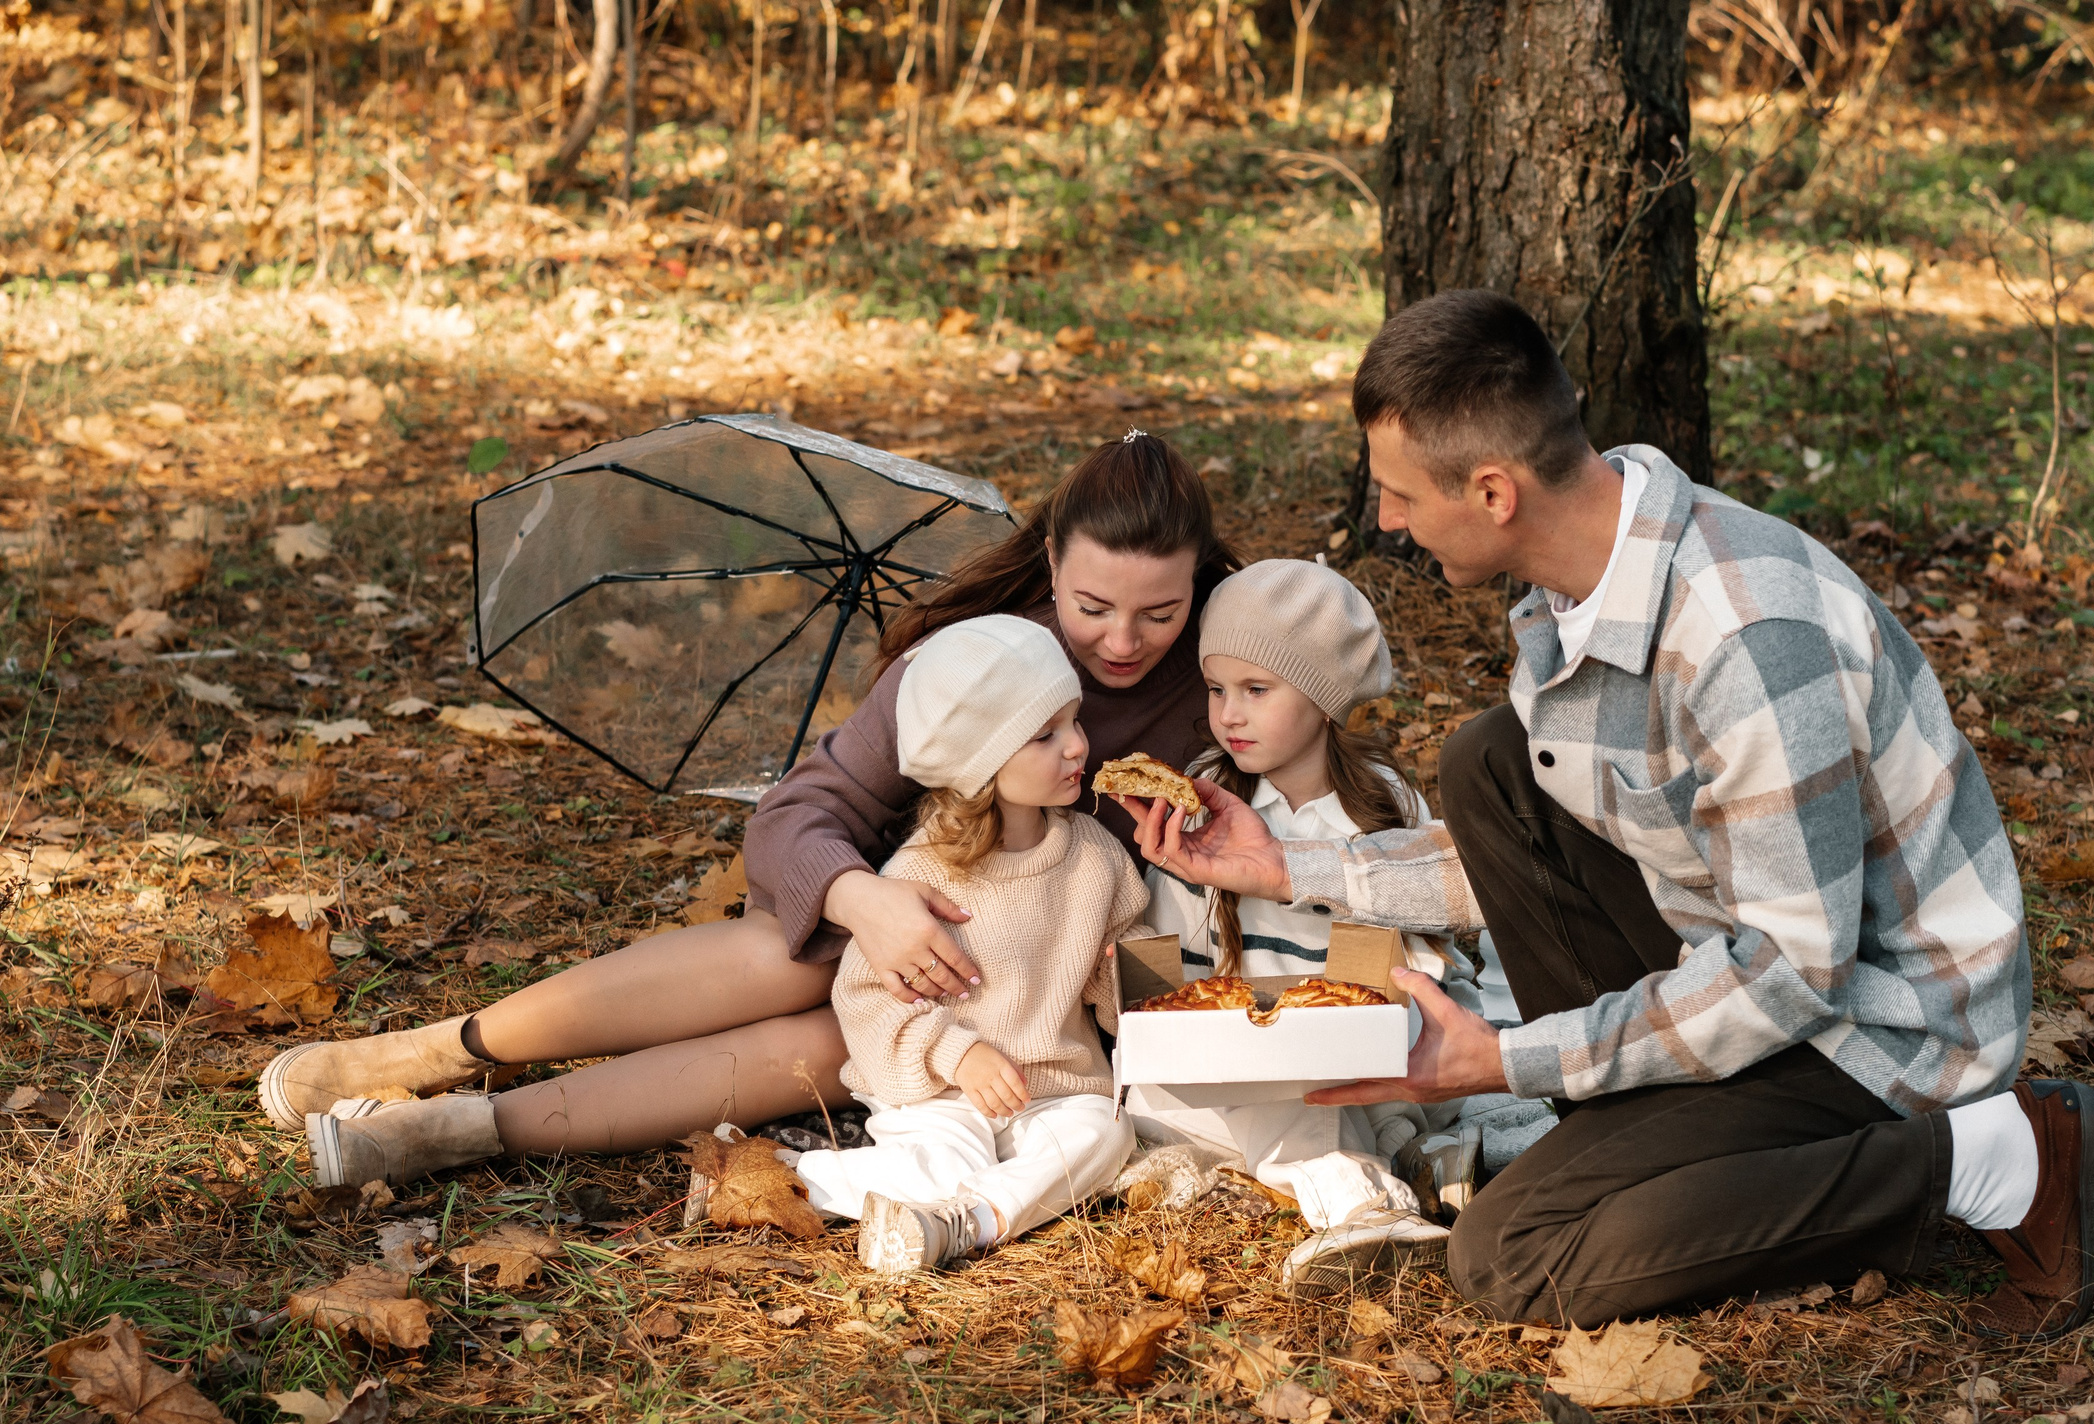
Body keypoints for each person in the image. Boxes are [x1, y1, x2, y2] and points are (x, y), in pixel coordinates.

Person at [1128, 290, 2094, 1339]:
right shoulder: (1579, 580)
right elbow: (1505, 861)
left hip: (1879, 1027)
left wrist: (1508, 1061)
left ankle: (1985, 1156)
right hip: (1729, 953)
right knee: (1492, 762)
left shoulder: (1742, 636)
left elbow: (1793, 974)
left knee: (1513, 1255)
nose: (1387, 522)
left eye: (1400, 494)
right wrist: (1284, 869)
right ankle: (1662, 1131)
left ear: (1494, 491)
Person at [261, 431, 1234, 1188]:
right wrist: (866, 901)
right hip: (908, 912)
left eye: (1159, 611)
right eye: (1092, 605)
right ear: (1051, 561)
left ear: (1199, 584)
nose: (1121, 641)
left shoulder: (1227, 681)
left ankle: (469, 1131)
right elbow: (795, 816)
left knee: (828, 1045)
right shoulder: (985, 663)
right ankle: (446, 1050)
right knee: (789, 957)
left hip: (1046, 984)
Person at [1122, 557, 1522, 1295]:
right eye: (1216, 690)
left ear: (1322, 696)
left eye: (1256, 690)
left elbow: (1415, 944)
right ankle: (1370, 1203)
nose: (1228, 713)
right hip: (1235, 1066)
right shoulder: (1203, 798)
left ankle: (1405, 1163)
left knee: (1379, 1091)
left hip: (1357, 1049)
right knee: (1287, 1104)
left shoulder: (1382, 801)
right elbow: (1169, 969)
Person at [793, 615, 1149, 1273]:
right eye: (1045, 735)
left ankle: (966, 1221)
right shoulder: (923, 873)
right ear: (980, 763)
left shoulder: (1096, 858)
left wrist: (1118, 979)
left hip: (1055, 1092)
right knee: (943, 1161)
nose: (1077, 746)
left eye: (1074, 721)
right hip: (941, 1093)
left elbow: (1127, 990)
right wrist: (957, 1055)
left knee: (1106, 1133)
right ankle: (791, 1182)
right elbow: (868, 1001)